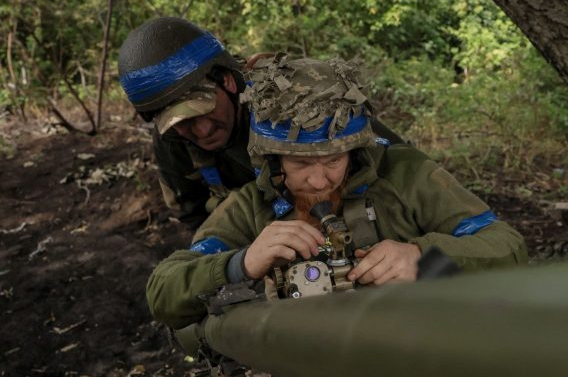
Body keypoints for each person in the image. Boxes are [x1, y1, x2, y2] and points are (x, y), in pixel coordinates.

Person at [146, 54, 541, 377]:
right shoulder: (250, 209)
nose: (317, 179)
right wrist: (241, 261)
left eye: (333, 160)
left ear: (356, 146)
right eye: (300, 164)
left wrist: (422, 254)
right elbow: (164, 290)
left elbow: (506, 244)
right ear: (270, 159)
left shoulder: (405, 174)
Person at [117, 17, 402, 227]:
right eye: (183, 123)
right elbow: (194, 217)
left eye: (205, 110)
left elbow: (400, 162)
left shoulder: (288, 99)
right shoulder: (172, 139)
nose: (201, 131)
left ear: (227, 81)